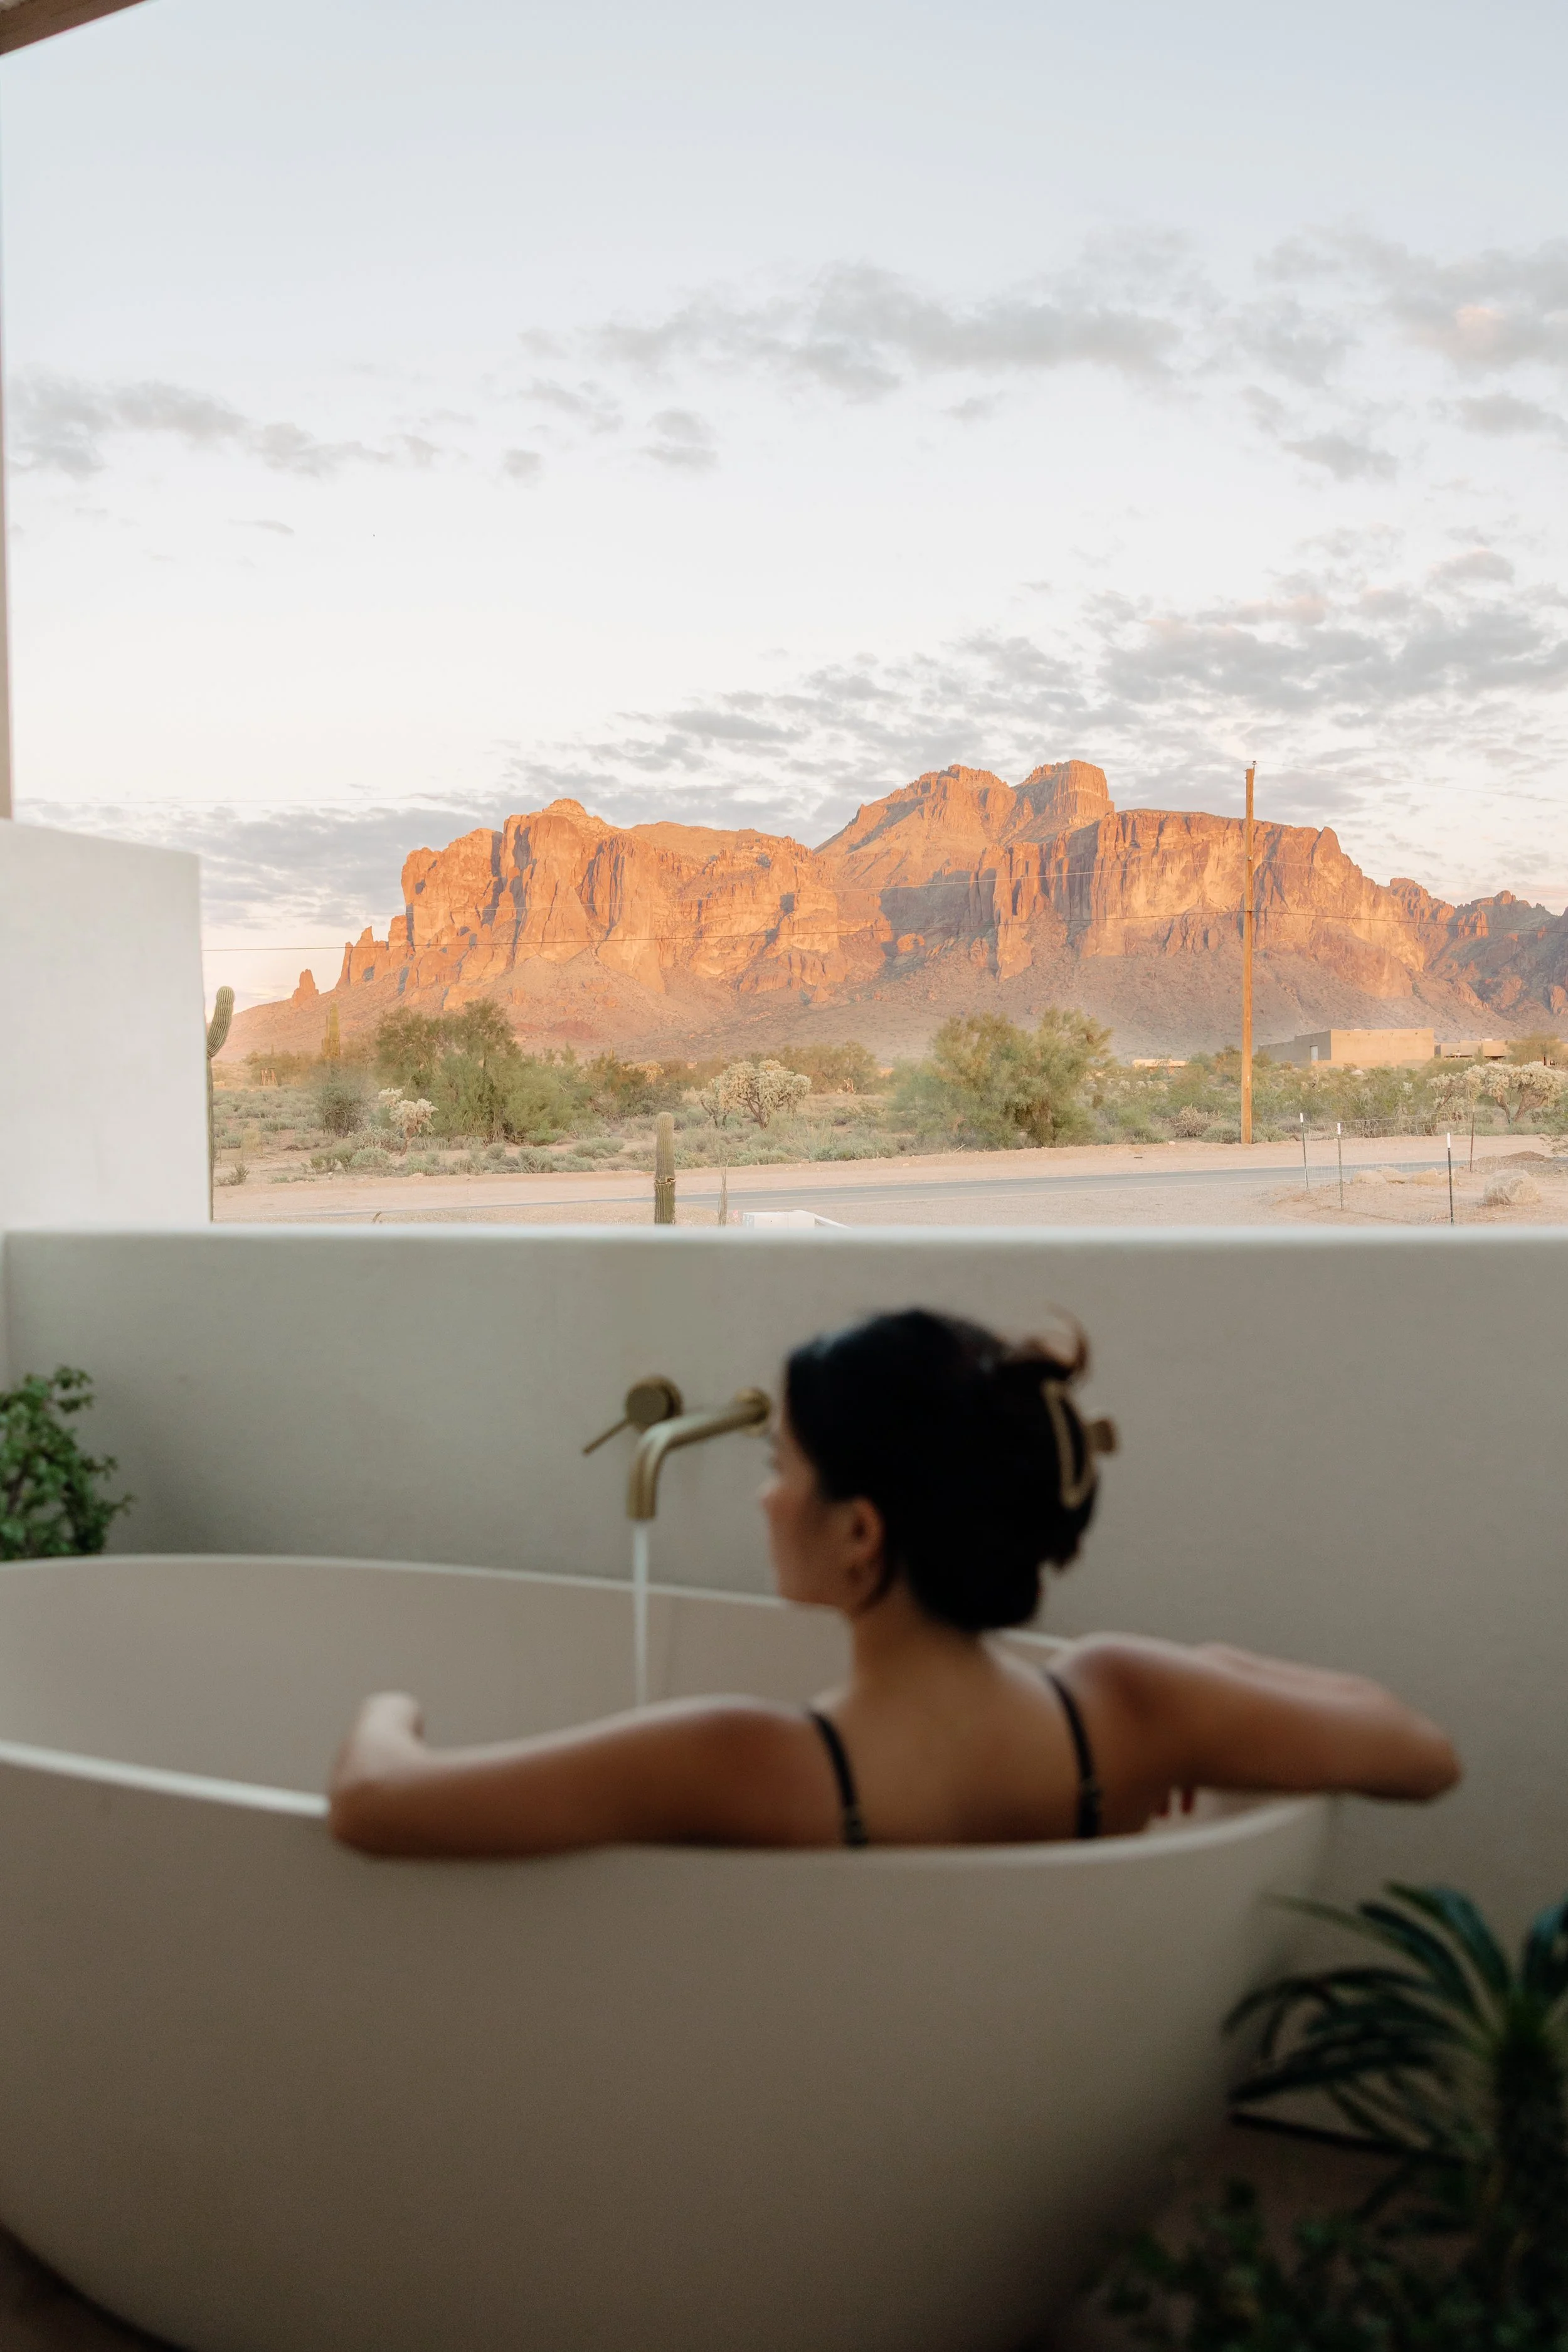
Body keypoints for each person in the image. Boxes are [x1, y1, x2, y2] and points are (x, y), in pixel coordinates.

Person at [328, 1308, 1459, 1858]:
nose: (768, 1497)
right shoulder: (1130, 1702)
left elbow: (379, 1804)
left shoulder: (745, 1761)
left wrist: (391, 1703)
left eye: (784, 1469)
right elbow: (1420, 1751)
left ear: (860, 1533)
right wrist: (1213, 1684)